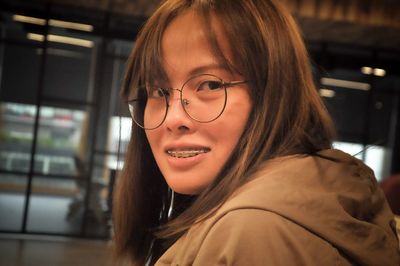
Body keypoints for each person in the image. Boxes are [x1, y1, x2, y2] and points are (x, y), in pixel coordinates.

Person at [113, 0, 400, 265]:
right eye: (158, 91)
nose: (174, 119)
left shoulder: (252, 231)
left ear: (273, 95)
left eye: (210, 85)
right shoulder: (270, 211)